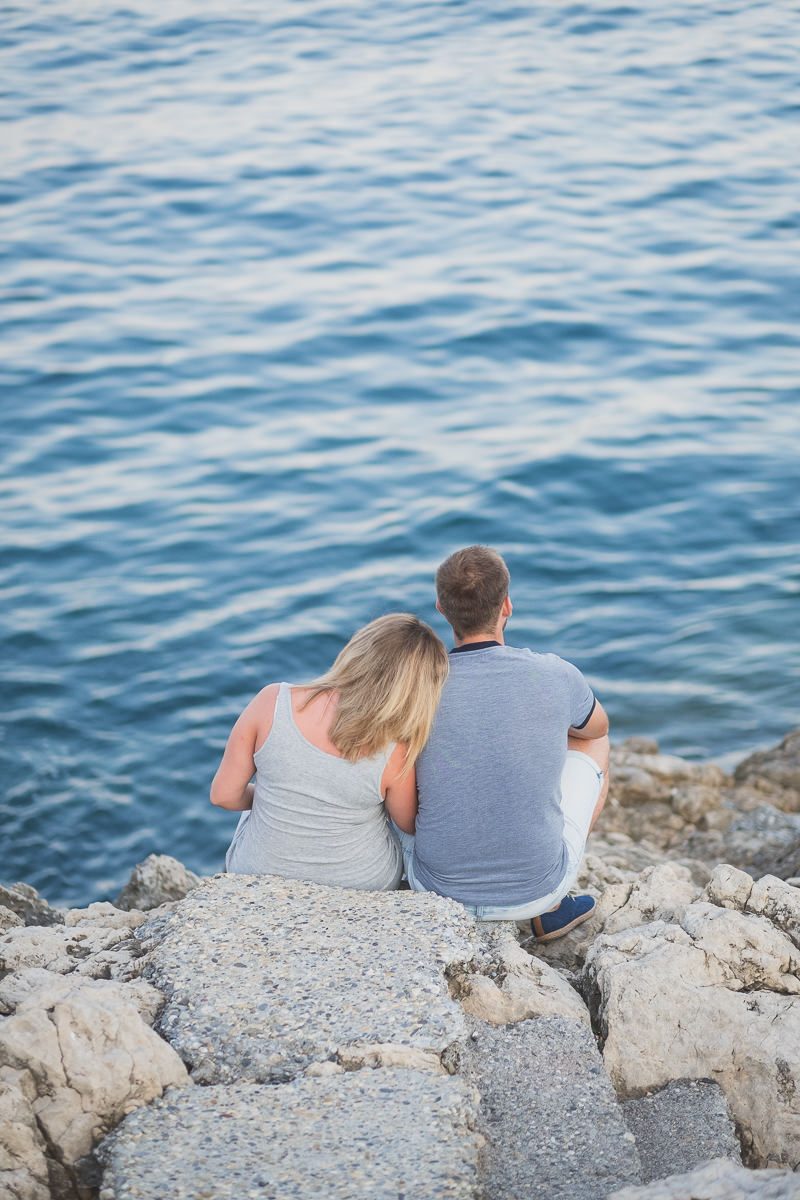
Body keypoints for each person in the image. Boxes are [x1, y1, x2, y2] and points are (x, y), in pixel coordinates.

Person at [397, 545, 610, 942]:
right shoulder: (555, 673)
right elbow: (597, 728)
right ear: (507, 606)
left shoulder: (416, 686)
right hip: (537, 890)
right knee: (596, 744)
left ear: (441, 609)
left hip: (436, 888)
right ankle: (553, 910)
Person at [210, 613, 448, 891]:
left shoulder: (271, 702)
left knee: (258, 799)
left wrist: (277, 797)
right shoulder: (396, 748)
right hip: (361, 883)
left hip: (256, 871)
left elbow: (223, 796)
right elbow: (408, 824)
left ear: (358, 650)